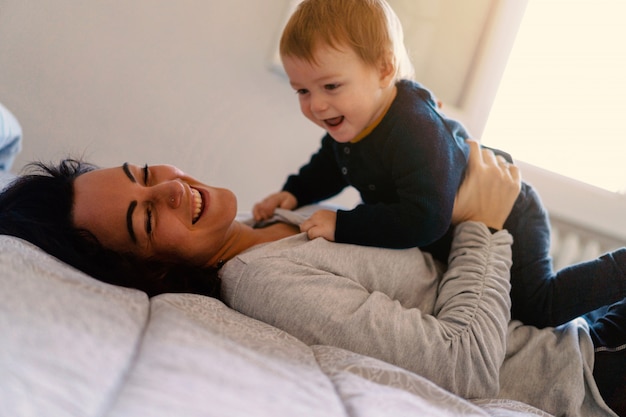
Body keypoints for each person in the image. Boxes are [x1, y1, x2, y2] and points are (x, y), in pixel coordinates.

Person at [0, 140, 624, 415]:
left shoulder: (263, 224)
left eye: (140, 171)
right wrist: (483, 226)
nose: (167, 186)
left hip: (578, 335)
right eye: (143, 216)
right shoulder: (265, 283)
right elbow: (464, 368)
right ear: (152, 267)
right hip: (586, 379)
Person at [252, 0, 626, 329]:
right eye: (302, 91)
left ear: (384, 70)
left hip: (510, 210)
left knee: (537, 309)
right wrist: (293, 192)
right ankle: (595, 312)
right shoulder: (351, 127)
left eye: (331, 86)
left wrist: (343, 223)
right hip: (450, 228)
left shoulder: (414, 124)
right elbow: (328, 167)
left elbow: (426, 217)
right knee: (506, 313)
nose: (316, 105)